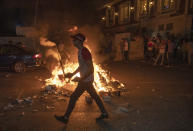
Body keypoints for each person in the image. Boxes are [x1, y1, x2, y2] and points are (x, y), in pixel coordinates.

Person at [54, 33, 108, 124]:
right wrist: (72, 74)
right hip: (86, 80)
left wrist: (81, 79)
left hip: (86, 80)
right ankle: (104, 113)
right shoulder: (80, 51)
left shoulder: (84, 51)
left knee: (74, 97)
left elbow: (91, 68)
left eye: (74, 40)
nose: (73, 41)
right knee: (94, 96)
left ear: (79, 41)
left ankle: (66, 117)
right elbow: (81, 66)